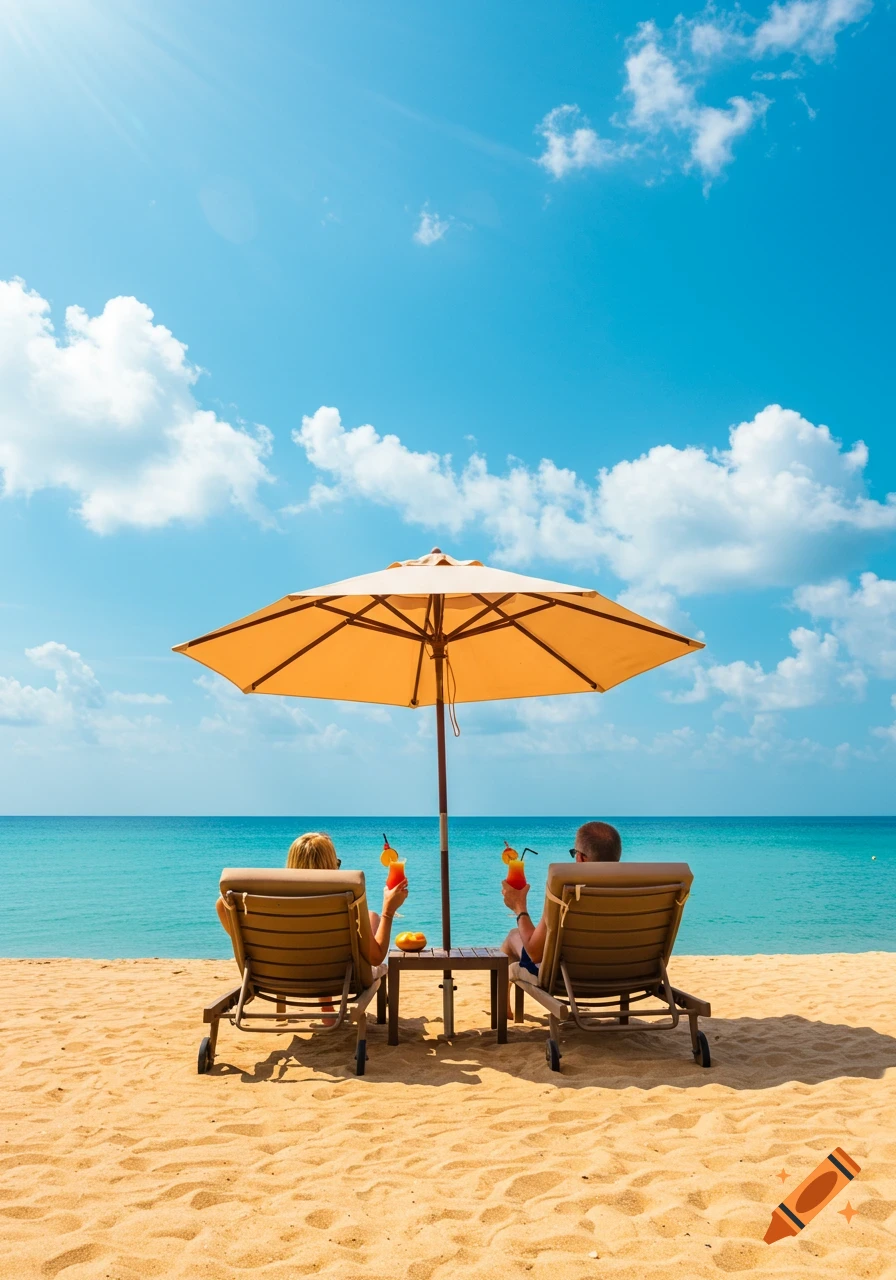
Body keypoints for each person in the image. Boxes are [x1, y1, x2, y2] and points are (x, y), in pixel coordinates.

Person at [500, 821, 622, 973]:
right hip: (622, 973)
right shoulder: (637, 887)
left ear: (581, 857)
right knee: (515, 936)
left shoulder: (563, 889)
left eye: (574, 853)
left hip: (565, 977)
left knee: (512, 937)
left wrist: (519, 906)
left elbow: (535, 953)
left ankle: (506, 988)